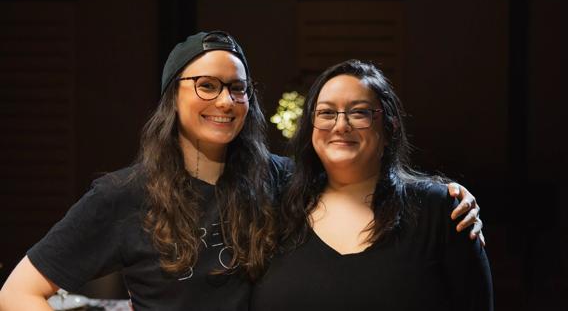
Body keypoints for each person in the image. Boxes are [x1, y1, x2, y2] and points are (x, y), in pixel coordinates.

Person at [0, 33, 483, 311]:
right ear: (173, 95)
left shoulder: (278, 180)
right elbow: (18, 292)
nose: (225, 101)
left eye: (237, 88)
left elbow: (356, 175)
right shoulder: (123, 195)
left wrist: (446, 195)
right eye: (206, 85)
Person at [251, 59, 493, 310]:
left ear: (389, 128)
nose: (341, 125)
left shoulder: (441, 211)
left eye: (359, 112)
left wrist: (446, 194)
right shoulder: (277, 207)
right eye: (326, 113)